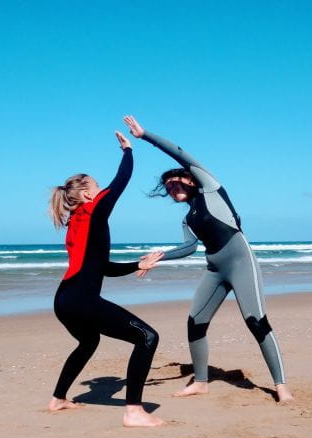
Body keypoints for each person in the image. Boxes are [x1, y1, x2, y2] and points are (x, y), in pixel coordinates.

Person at [124, 115, 294, 403]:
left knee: (256, 321)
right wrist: (159, 256)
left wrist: (145, 136)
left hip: (241, 262)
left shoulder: (211, 188)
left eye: (176, 181)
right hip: (215, 268)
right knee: (196, 321)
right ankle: (201, 382)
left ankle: (281, 386)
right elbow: (189, 248)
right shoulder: (188, 219)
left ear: (191, 179)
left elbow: (179, 153)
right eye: (167, 186)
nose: (171, 186)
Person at [47, 131, 166, 427]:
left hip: (64, 299)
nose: (102, 192)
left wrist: (138, 263)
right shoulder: (91, 212)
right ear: (88, 194)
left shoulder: (77, 224)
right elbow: (120, 184)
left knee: (88, 342)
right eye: (97, 188)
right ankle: (134, 412)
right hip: (80, 299)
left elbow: (101, 268)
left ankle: (58, 399)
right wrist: (128, 151)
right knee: (147, 337)